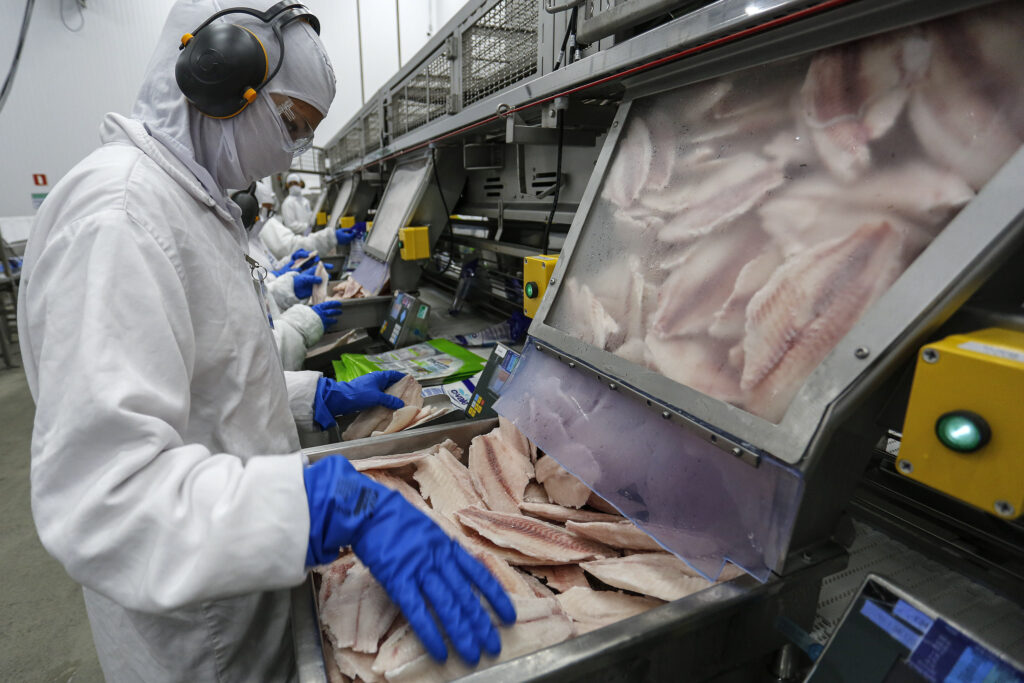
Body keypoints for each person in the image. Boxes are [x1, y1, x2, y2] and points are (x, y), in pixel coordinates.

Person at [17, 2, 514, 682]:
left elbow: (215, 381)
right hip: (200, 637)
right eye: (289, 124)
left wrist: (318, 398)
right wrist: (313, 502)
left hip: (245, 595)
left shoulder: (192, 205)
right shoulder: (120, 219)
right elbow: (105, 496)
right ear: (217, 74)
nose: (289, 150)